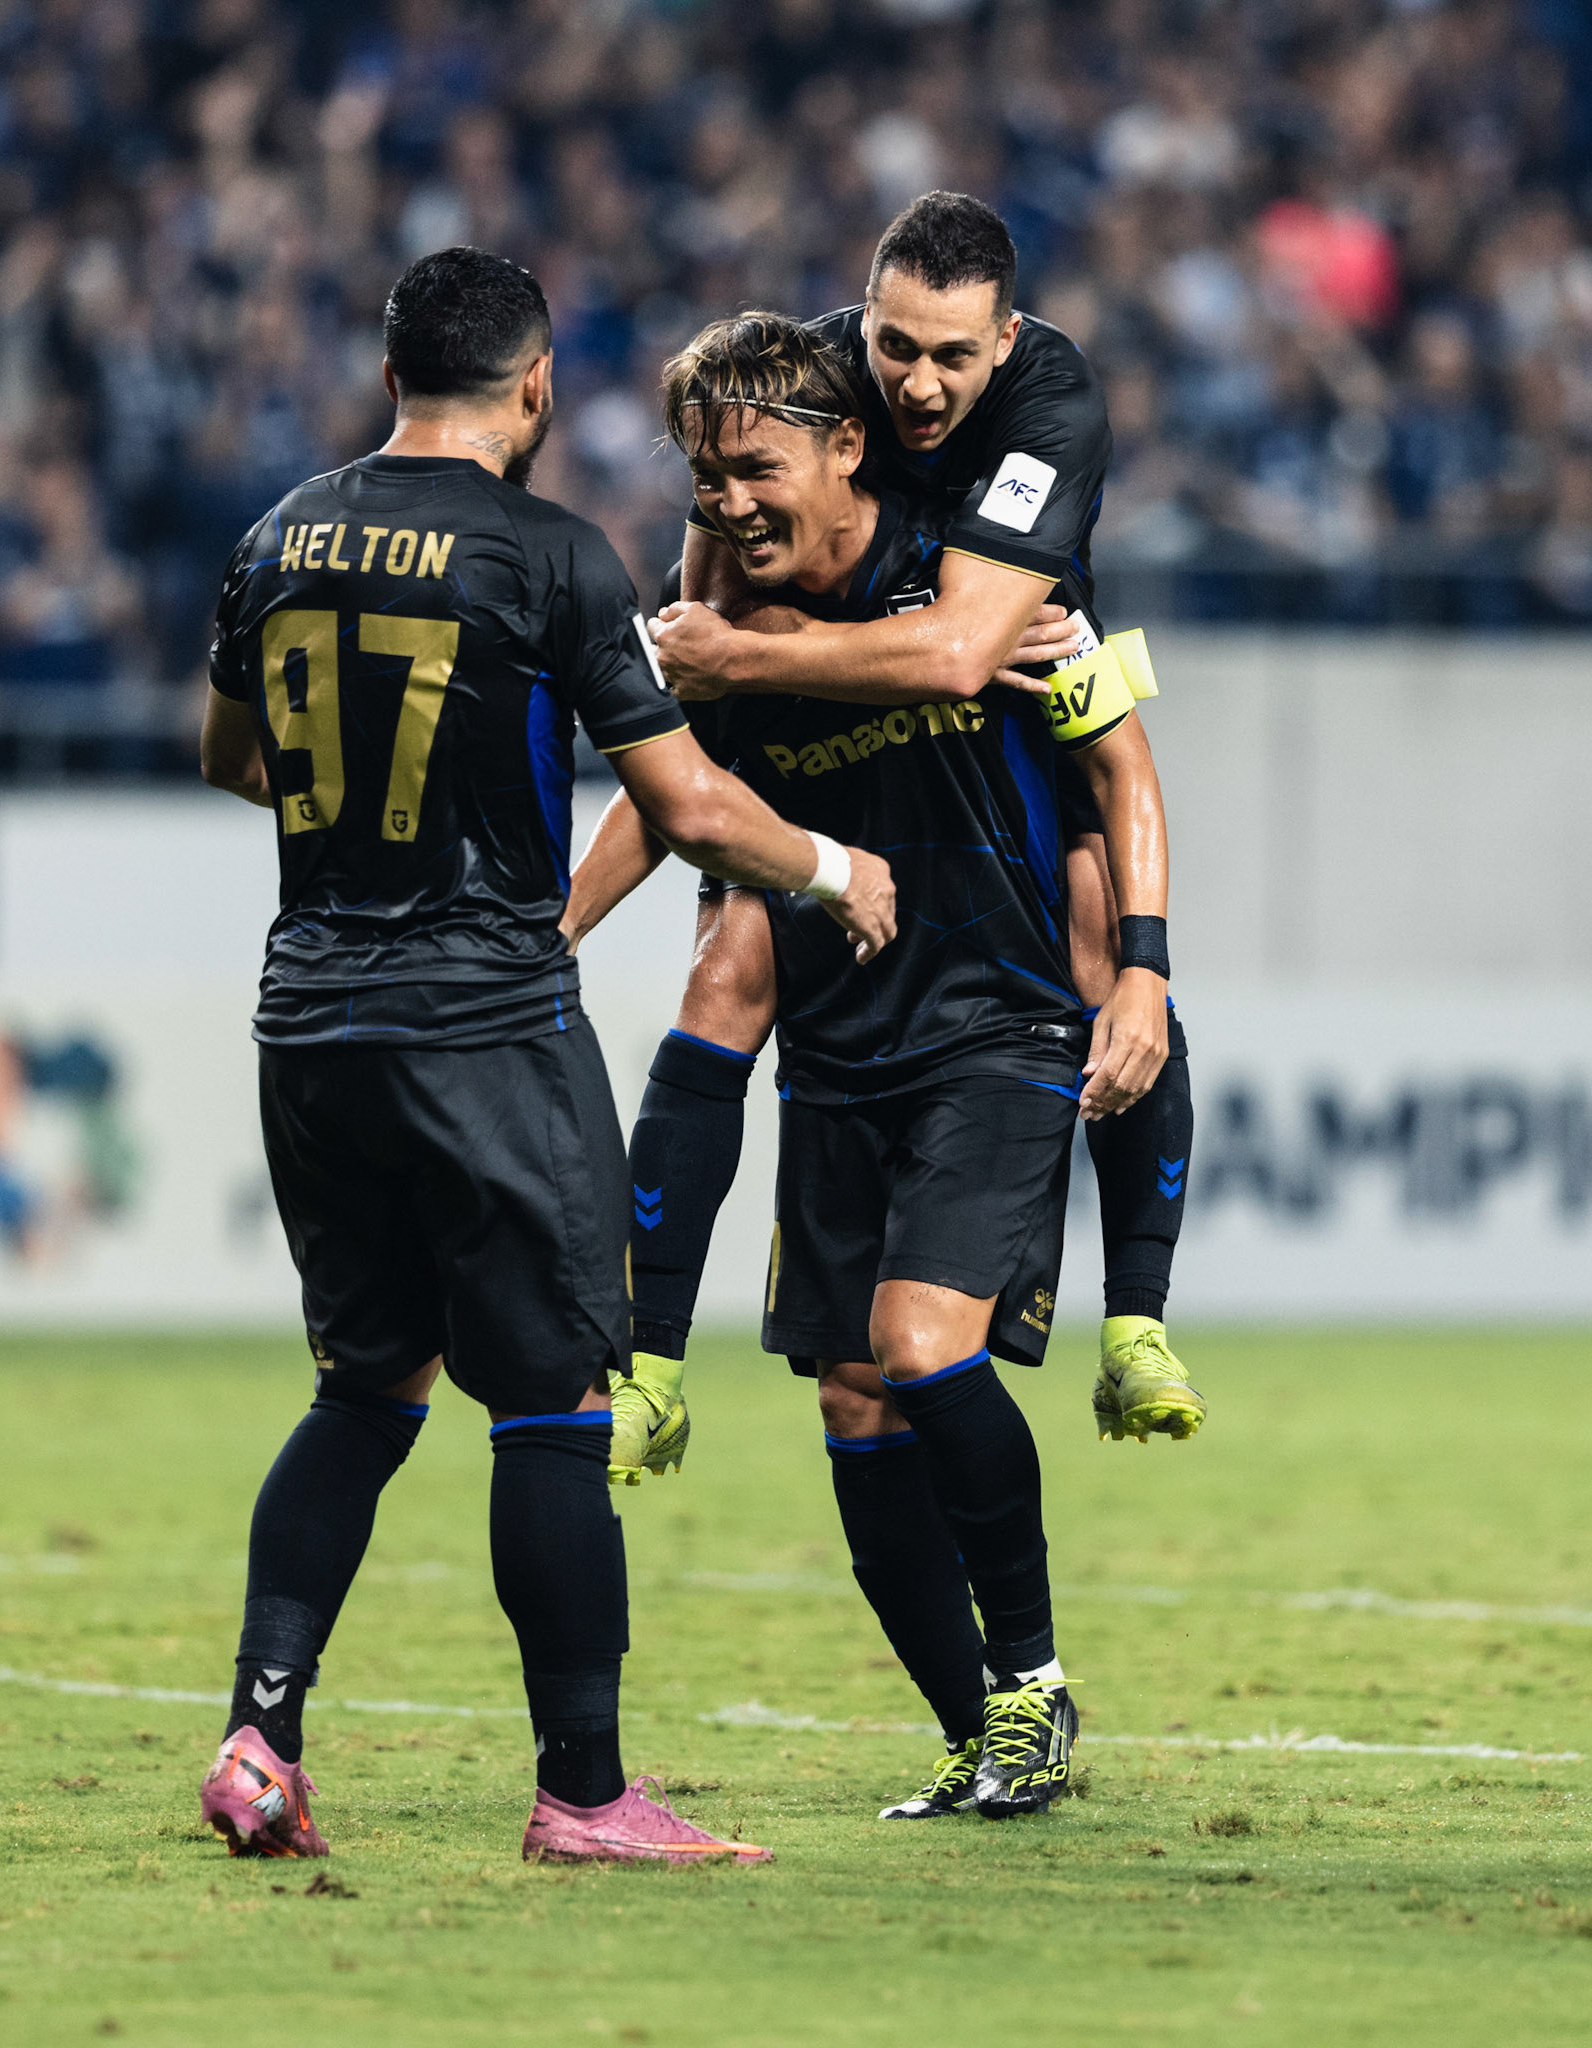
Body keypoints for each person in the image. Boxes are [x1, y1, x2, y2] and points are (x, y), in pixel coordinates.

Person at [194, 248, 894, 1867]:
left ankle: (258, 1735)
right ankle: (583, 1794)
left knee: (366, 1388)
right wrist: (840, 873)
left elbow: (234, 757)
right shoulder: (552, 556)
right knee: (555, 1405)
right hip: (486, 1024)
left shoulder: (272, 537)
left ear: (389, 379)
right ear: (533, 386)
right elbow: (694, 804)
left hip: (310, 1018)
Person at [569, 313, 1167, 1821]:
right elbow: (678, 793)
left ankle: (1031, 1678)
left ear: (845, 449)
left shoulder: (990, 585)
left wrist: (1146, 965)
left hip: (999, 1027)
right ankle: (980, 1731)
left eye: (754, 469)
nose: (728, 506)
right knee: (850, 1402)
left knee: (916, 1343)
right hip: (837, 1060)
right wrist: (550, 928)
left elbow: (1117, 743)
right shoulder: (724, 611)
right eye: (705, 480)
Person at [588, 193, 1200, 1482]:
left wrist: (754, 654)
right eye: (896, 348)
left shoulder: (1052, 406)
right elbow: (703, 626)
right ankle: (649, 1366)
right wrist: (704, 690)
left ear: (1006, 339)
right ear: (863, 326)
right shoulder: (797, 397)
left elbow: (970, 649)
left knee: (1106, 936)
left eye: (953, 357)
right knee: (724, 969)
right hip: (848, 730)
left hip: (1008, 647)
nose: (921, 385)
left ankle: (1137, 1323)